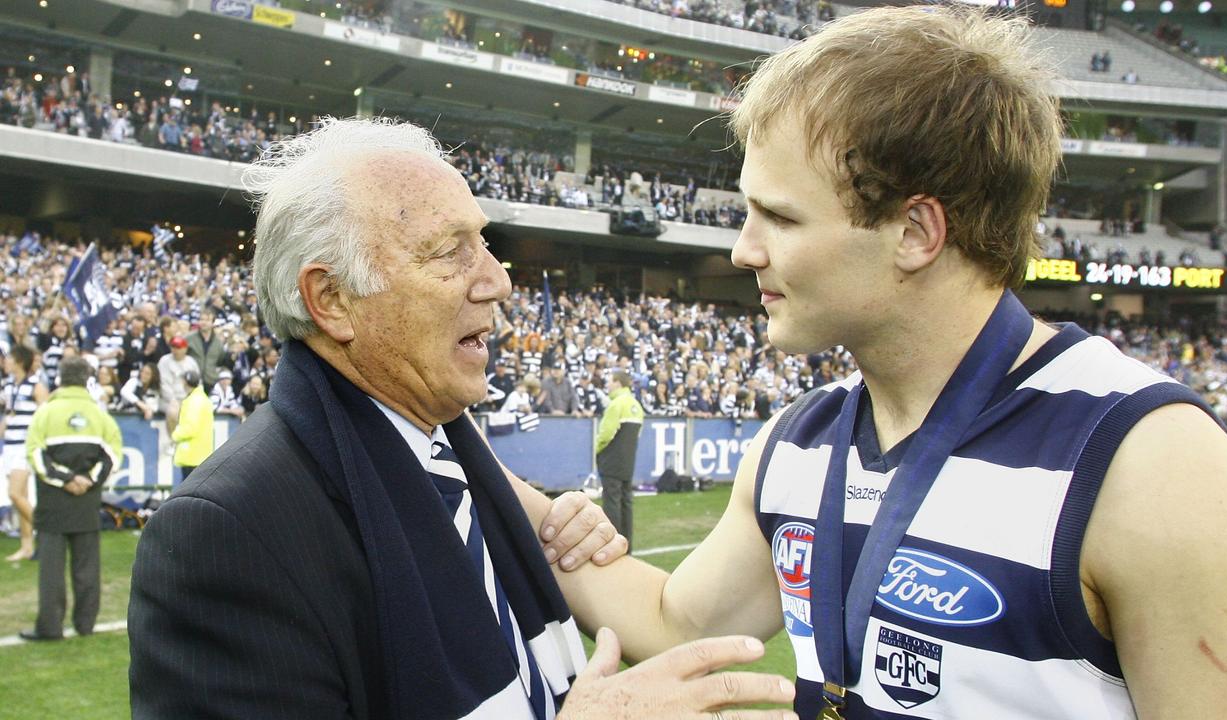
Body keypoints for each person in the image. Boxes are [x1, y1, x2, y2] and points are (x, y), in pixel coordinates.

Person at [531, 7, 1227, 719]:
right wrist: (459, 459)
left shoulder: (1150, 467)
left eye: (781, 217)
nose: (742, 250)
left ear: (917, 231)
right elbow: (676, 622)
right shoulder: (797, 442)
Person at [128, 117, 794, 720]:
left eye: (484, 243)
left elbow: (673, 617)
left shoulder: (450, 452)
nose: (498, 280)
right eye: (451, 251)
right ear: (331, 300)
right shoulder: (227, 533)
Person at [20, 355, 121, 641]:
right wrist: (88, 480)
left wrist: (65, 479)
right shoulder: (100, 414)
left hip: (53, 501)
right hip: (87, 501)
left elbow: (35, 454)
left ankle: (50, 627)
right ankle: (85, 624)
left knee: (51, 569)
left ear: (60, 379)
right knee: (87, 567)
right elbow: (113, 453)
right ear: (86, 379)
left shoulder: (46, 413)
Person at [3, 343, 48, 562]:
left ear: (20, 361)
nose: (6, 362)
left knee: (15, 494)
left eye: (10, 358)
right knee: (22, 497)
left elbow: (45, 415)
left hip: (24, 446)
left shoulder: (35, 385)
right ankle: (27, 546)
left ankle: (45, 532)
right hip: (10, 444)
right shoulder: (9, 385)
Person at [594, 370, 644, 549]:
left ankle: (613, 545)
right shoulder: (637, 405)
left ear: (618, 383)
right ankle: (627, 545)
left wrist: (597, 450)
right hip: (628, 460)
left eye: (609, 381)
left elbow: (605, 435)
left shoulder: (616, 404)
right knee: (626, 502)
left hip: (611, 459)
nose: (607, 385)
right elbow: (637, 435)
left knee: (612, 502)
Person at [171, 369, 213, 481]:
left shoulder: (193, 401)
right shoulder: (203, 399)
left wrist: (175, 435)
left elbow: (190, 428)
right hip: (200, 454)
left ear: (185, 382)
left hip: (192, 455)